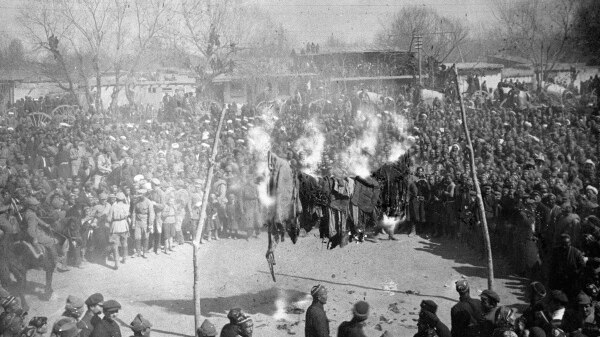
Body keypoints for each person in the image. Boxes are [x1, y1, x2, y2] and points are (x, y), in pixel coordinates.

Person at [106, 192, 130, 269]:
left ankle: (117, 263)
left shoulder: (113, 207)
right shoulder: (127, 206)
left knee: (114, 245)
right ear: (123, 199)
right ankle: (124, 258)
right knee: (124, 243)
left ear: (116, 198)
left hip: (115, 226)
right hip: (124, 225)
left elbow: (109, 219)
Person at [131, 190, 154, 258]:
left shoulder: (148, 202)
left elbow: (151, 213)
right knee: (137, 237)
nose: (140, 196)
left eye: (141, 194)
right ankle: (138, 252)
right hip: (138, 222)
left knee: (145, 237)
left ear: (144, 194)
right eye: (139, 194)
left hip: (145, 222)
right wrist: (133, 223)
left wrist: (150, 224)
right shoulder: (136, 202)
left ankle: (144, 252)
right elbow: (134, 212)